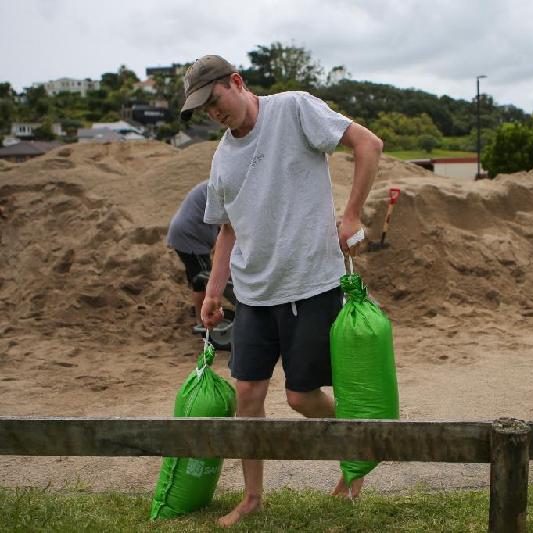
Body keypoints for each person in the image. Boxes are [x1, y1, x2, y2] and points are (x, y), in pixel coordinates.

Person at [180, 55, 383, 527]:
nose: (214, 114)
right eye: (204, 111)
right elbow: (227, 230)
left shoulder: (294, 110)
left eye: (215, 101)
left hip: (310, 283)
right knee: (247, 394)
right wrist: (214, 290)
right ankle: (252, 498)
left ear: (237, 81)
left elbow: (367, 144)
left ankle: (357, 452)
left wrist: (351, 215)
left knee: (301, 396)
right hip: (252, 293)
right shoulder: (222, 158)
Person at [166, 181, 219, 332]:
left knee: (200, 277)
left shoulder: (214, 185)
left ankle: (199, 310)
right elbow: (224, 225)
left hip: (187, 234)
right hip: (189, 237)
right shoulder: (216, 188)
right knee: (203, 279)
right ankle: (201, 320)